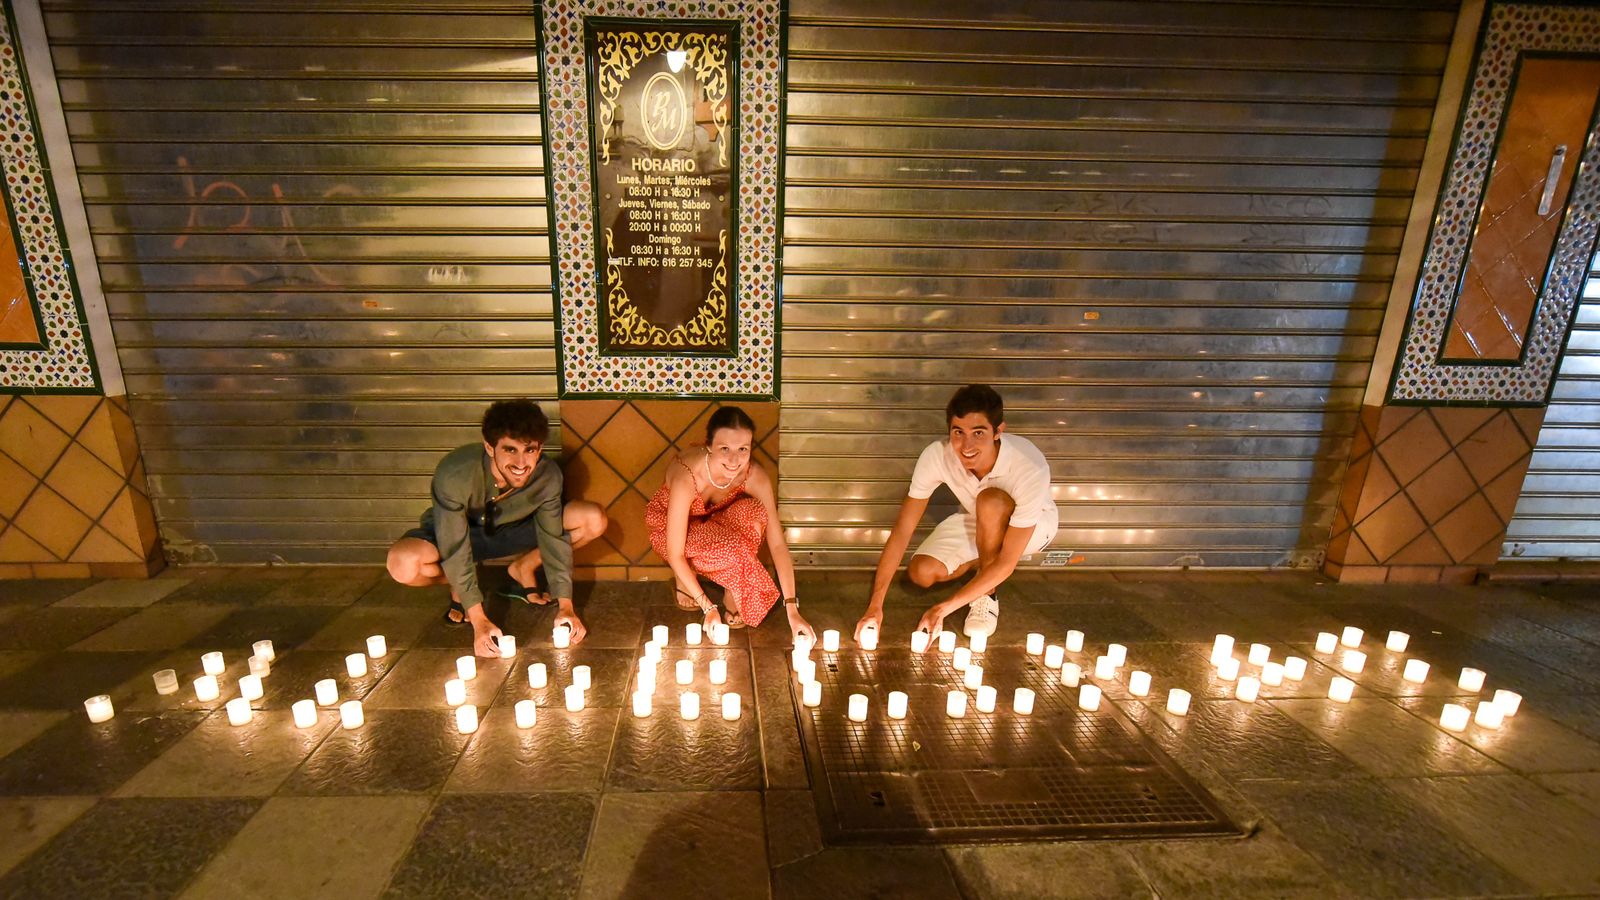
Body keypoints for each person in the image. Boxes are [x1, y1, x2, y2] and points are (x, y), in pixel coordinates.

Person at [387, 399, 607, 657]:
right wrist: (479, 620)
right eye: (510, 450)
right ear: (490, 447)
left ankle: (523, 567)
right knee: (402, 564)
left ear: (540, 449)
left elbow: (553, 538)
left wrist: (566, 607)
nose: (522, 462)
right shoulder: (455, 472)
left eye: (530, 450)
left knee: (593, 518)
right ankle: (462, 585)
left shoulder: (548, 475)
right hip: (460, 535)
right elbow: (454, 545)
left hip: (516, 532)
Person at [853, 385, 1057, 644]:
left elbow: (1006, 563)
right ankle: (982, 562)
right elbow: (902, 531)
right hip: (977, 517)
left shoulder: (1028, 465)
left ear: (998, 431)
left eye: (978, 433)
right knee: (922, 573)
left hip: (1034, 525)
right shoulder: (936, 455)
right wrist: (875, 606)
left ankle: (986, 596)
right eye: (958, 432)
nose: (966, 445)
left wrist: (942, 609)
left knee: (990, 502)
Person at [646, 406, 816, 645]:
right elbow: (675, 552)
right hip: (670, 531)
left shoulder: (753, 475)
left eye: (743, 449)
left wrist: (792, 610)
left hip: (711, 523)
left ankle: (731, 587)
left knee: (756, 513)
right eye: (724, 449)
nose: (735, 460)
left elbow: (777, 543)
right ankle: (684, 578)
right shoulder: (687, 476)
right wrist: (708, 608)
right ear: (708, 445)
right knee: (728, 548)